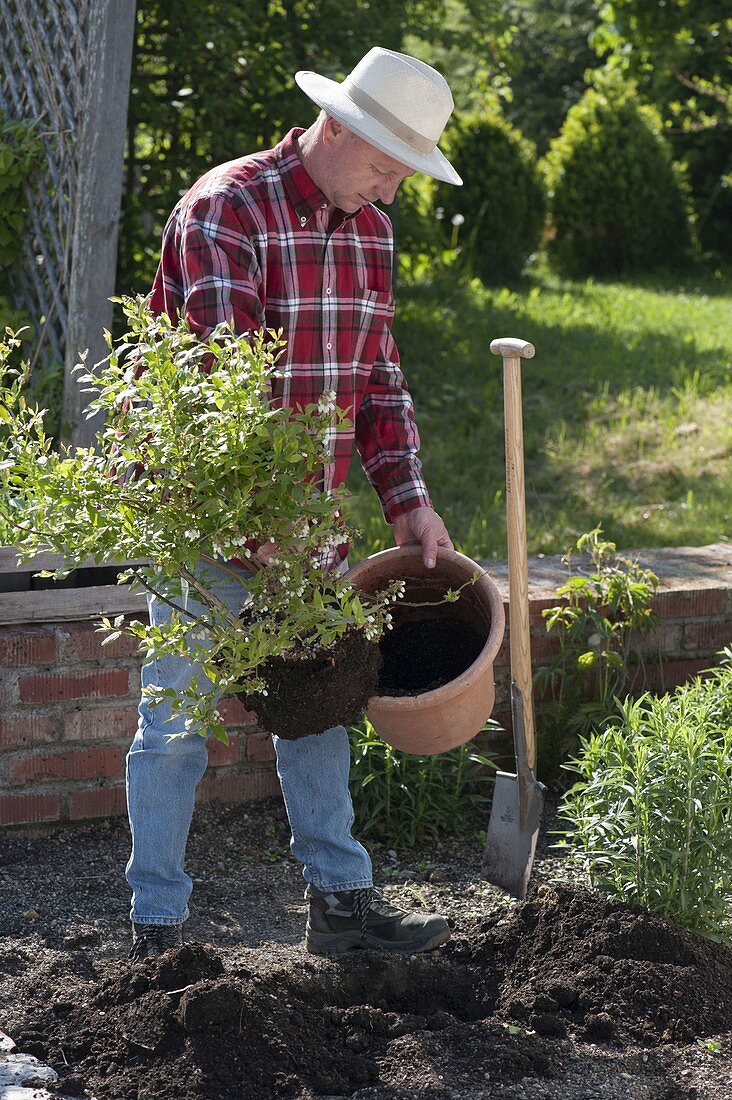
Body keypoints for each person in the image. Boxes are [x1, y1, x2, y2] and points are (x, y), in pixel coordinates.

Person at [126, 46, 463, 962]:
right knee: (175, 725)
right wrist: (258, 525)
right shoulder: (226, 209)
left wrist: (408, 502)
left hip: (304, 519)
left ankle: (341, 909)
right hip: (202, 517)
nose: (391, 192)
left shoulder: (372, 234)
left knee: (320, 706)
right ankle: (158, 927)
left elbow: (378, 377)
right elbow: (214, 390)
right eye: (387, 167)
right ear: (341, 129)